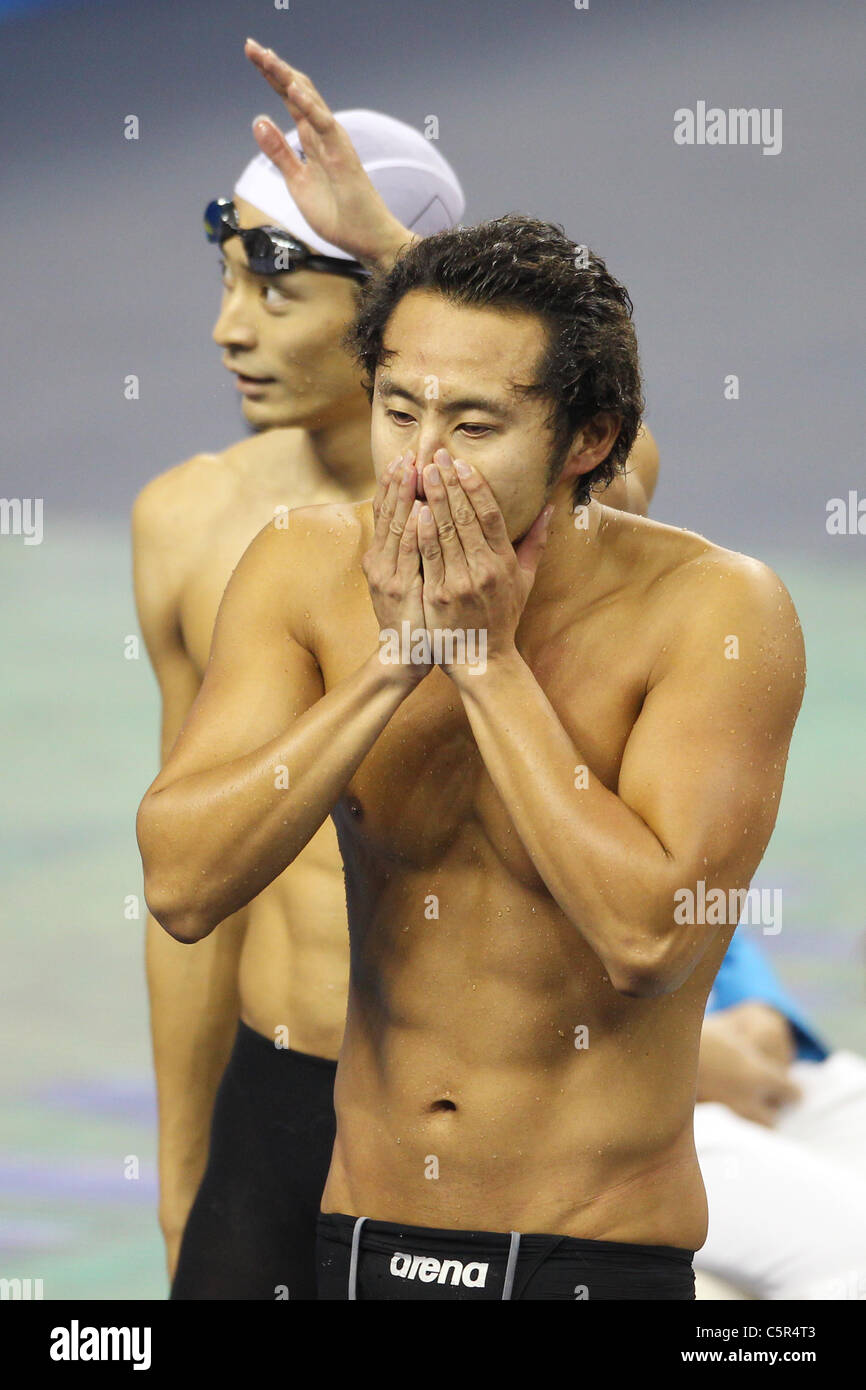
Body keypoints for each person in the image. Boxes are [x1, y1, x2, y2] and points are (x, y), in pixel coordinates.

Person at [137, 207, 805, 1300]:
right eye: (399, 411)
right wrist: (393, 666)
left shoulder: (713, 612)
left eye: (475, 427)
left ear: (585, 442)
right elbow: (180, 881)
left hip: (588, 1254)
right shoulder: (304, 566)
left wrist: (486, 663)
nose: (420, 464)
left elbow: (648, 939)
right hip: (361, 1237)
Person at [135, 39, 658, 1298]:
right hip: (274, 1090)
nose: (228, 332)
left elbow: (613, 448)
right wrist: (181, 1152)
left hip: (461, 1125)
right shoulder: (193, 523)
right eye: (222, 287)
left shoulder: (512, 513)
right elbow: (188, 873)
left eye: (273, 292)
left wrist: (404, 254)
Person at [694, 927, 866, 1299]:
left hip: (781, 1072)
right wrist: (667, 1053)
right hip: (619, 1107)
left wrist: (761, 1005)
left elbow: (713, 919)